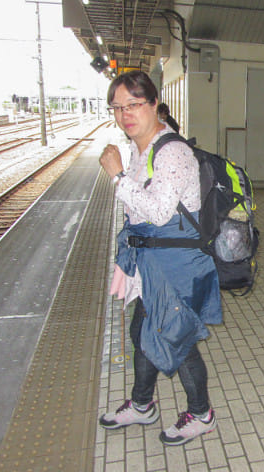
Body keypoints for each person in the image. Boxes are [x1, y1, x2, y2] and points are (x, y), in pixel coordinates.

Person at [98, 71, 222, 446]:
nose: (125, 114)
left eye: (134, 104)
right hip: (154, 263)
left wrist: (118, 177)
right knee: (144, 333)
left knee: (177, 343)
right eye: (117, 107)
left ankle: (201, 414)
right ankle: (142, 404)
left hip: (176, 266)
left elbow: (157, 210)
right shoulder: (142, 149)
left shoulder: (173, 153)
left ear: (154, 104)